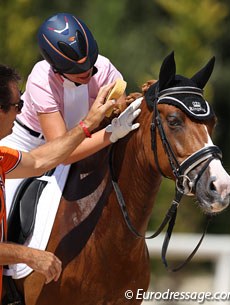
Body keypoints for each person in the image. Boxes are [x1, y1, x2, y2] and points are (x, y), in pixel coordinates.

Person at [0, 64, 142, 297]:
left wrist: (104, 130)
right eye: (19, 106)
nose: (21, 113)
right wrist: (30, 255)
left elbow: (39, 162)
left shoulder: (3, 158)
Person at [1, 12, 132, 216]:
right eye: (75, 68)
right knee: (7, 204)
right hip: (26, 145)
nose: (86, 72)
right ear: (56, 67)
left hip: (80, 139)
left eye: (90, 64)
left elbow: (122, 110)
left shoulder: (104, 67)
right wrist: (111, 134)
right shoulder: (41, 79)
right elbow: (63, 153)